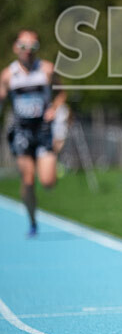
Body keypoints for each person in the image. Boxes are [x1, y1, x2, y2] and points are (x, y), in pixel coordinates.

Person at [0, 30, 67, 237]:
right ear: (15, 48)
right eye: (23, 46)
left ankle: (46, 168)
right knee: (28, 181)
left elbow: (61, 93)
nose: (27, 51)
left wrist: (54, 108)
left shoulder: (47, 69)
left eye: (32, 47)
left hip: (44, 129)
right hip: (21, 131)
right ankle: (32, 221)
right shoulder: (8, 75)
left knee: (47, 182)